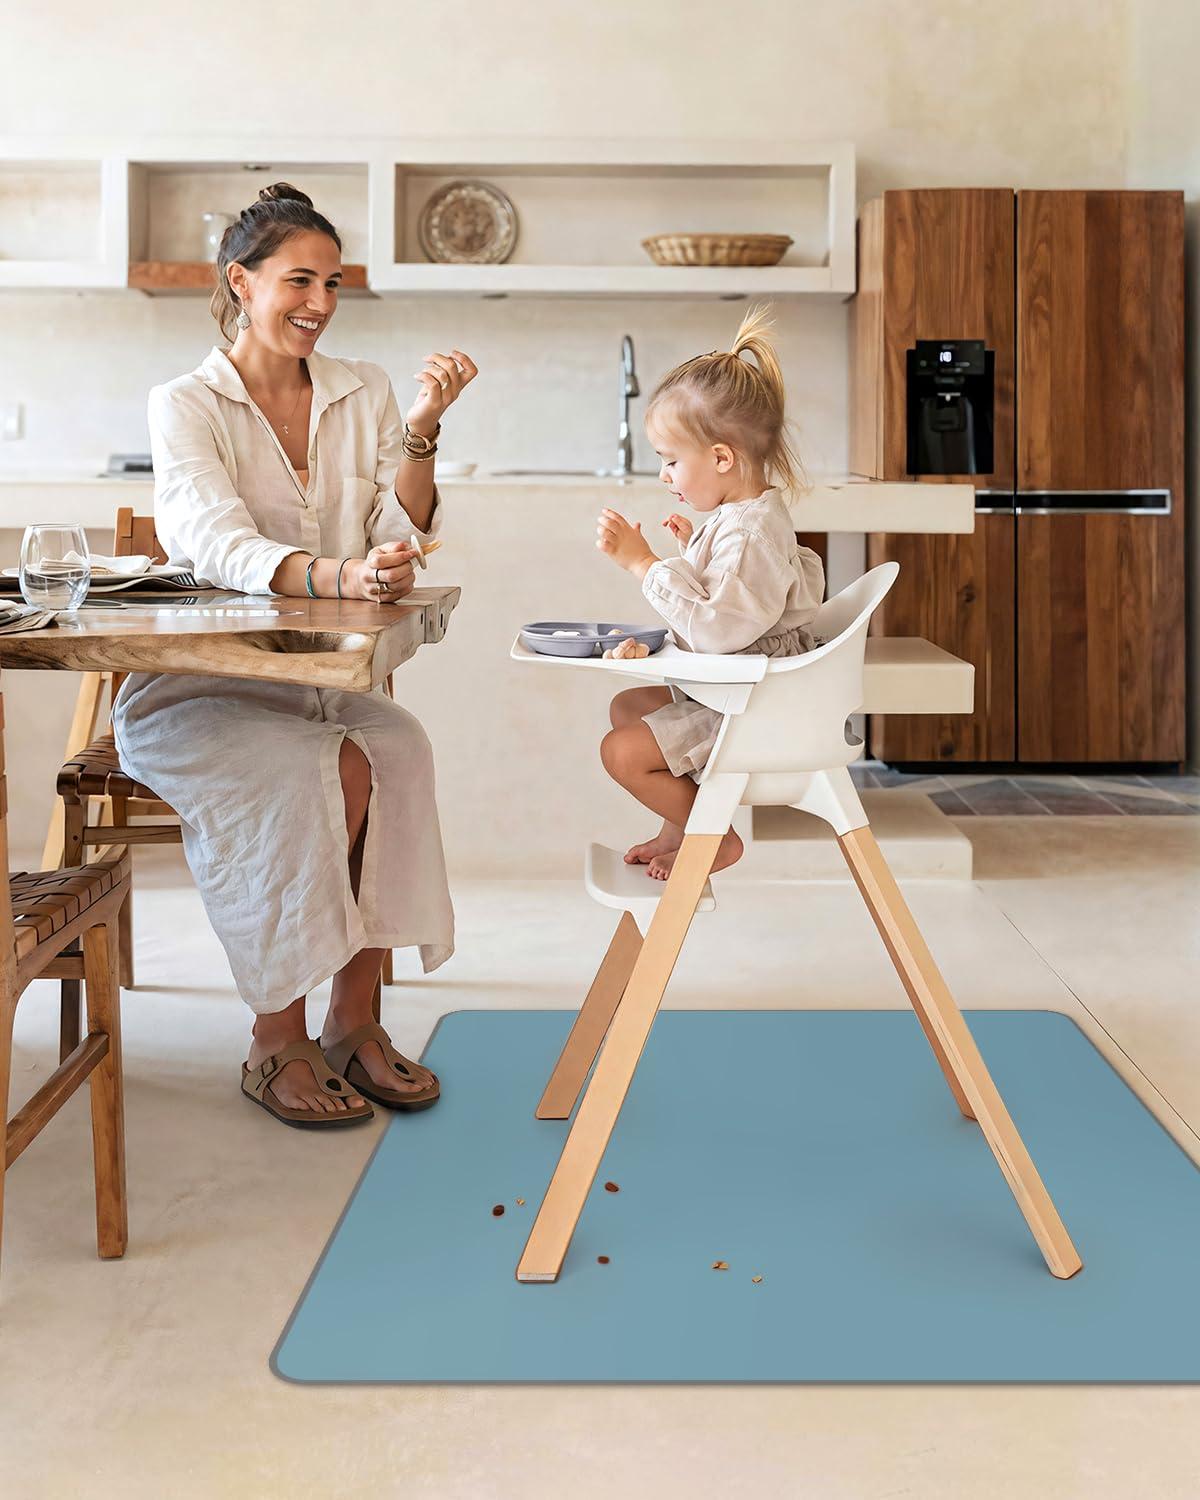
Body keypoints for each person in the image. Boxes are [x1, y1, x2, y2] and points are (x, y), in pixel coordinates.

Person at [112, 183, 477, 1128]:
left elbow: (399, 525)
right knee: (315, 773)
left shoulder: (364, 390)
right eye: (299, 280)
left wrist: (421, 436)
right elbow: (210, 540)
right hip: (203, 690)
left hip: (318, 681)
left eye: (333, 282)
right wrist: (337, 574)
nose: (320, 301)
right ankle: (275, 1039)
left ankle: (355, 1023)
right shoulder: (185, 403)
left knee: (398, 749)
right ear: (242, 283)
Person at [594, 306, 825, 880]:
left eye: (671, 460)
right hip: (738, 690)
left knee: (620, 753)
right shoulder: (743, 518)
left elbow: (719, 631)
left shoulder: (748, 532)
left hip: (755, 704)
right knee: (627, 708)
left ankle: (713, 838)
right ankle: (682, 830)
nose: (664, 475)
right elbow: (739, 593)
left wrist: (644, 564)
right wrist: (693, 548)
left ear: (722, 458)